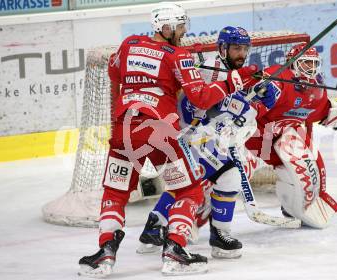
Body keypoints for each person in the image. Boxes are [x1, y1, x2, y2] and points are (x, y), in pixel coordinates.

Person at [78, 3, 259, 277]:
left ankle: (104, 254)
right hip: (159, 131)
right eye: (180, 27)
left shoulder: (128, 44)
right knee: (190, 191)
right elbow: (201, 98)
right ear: (165, 27)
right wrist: (233, 81)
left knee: (115, 192)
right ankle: (175, 250)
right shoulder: (178, 55)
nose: (183, 32)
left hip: (124, 130)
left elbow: (114, 74)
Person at [136, 26, 277, 259]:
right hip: (187, 134)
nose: (241, 53)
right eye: (236, 48)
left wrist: (260, 100)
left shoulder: (234, 72)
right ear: (222, 48)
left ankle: (154, 228)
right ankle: (218, 237)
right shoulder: (209, 70)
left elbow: (239, 116)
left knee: (199, 179)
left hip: (206, 137)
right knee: (222, 175)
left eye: (244, 48)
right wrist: (232, 101)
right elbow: (193, 104)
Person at [245, 42, 337, 228]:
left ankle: (296, 206)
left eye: (314, 64)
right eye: (306, 63)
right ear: (292, 63)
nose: (311, 68)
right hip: (256, 135)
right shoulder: (278, 75)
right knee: (234, 174)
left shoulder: (316, 89)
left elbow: (321, 112)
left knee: (314, 163)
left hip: (286, 134)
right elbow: (253, 98)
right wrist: (261, 89)